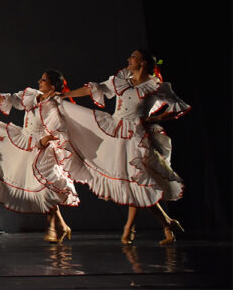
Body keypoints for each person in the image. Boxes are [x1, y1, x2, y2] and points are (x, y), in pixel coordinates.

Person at [60, 49, 189, 245]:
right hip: (116, 132)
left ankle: (131, 229)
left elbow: (178, 106)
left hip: (137, 137)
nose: (129, 59)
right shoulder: (122, 80)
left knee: (135, 180)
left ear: (144, 62)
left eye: (133, 57)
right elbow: (93, 89)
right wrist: (65, 95)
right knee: (133, 182)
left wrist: (154, 118)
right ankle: (167, 223)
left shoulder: (156, 86)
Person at [0, 70, 79, 243]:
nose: (39, 82)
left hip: (43, 148)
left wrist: (43, 141)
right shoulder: (32, 96)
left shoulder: (53, 106)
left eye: (43, 80)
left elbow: (59, 131)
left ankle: (54, 227)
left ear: (52, 85)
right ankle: (61, 226)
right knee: (42, 186)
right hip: (26, 143)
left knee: (46, 186)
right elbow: (7, 99)